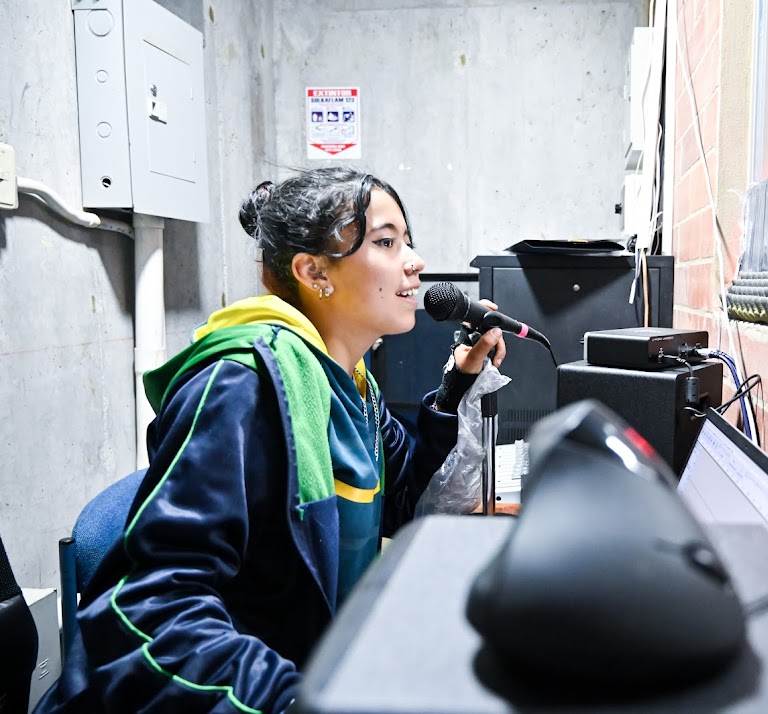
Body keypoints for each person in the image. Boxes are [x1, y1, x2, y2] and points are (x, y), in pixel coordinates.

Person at [36, 167, 506, 713]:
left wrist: (457, 383)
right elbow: (158, 615)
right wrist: (302, 701)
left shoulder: (352, 384)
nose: (415, 260)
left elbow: (405, 503)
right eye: (385, 241)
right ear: (313, 271)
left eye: (407, 240)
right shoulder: (243, 385)